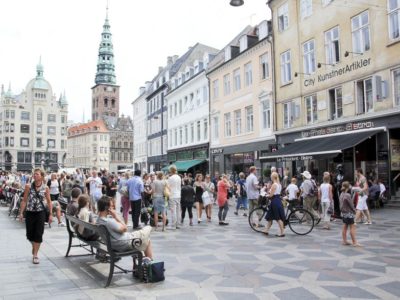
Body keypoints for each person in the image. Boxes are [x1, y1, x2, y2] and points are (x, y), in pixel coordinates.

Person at [18, 168, 53, 264]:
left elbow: (49, 202)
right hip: (29, 212)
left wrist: (50, 214)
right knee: (29, 235)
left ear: (42, 176)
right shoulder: (28, 186)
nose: (35, 175)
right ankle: (34, 246)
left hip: (40, 213)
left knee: (38, 233)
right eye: (34, 174)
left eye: (37, 174)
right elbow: (24, 200)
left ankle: (35, 255)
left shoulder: (46, 188)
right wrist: (21, 213)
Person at [263, 172, 285, 237]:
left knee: (278, 218)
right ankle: (266, 230)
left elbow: (271, 195)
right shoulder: (279, 184)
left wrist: (267, 195)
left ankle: (282, 232)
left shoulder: (274, 185)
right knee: (270, 217)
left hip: (274, 201)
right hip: (278, 200)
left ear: (272, 177)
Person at [340, 181, 361, 247]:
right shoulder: (347, 195)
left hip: (343, 213)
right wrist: (355, 211)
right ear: (348, 187)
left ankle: (344, 241)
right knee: (352, 227)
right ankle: (354, 242)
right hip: (349, 213)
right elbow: (351, 205)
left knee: (345, 226)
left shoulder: (341, 194)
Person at [167, 165, 181, 229]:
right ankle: (178, 224)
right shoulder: (179, 177)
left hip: (172, 195)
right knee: (178, 210)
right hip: (178, 195)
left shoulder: (171, 178)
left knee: (173, 211)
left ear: (171, 170)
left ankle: (173, 225)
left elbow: (168, 186)